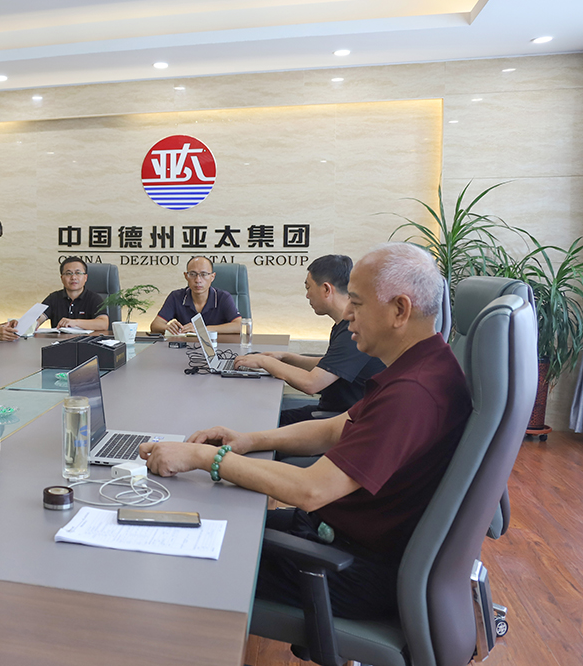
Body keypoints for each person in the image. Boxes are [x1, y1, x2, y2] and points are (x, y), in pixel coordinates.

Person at [138, 243, 471, 619]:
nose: (347, 314)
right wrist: (248, 440)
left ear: (399, 310)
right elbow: (333, 429)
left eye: (356, 303)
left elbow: (311, 490)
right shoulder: (418, 368)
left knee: (181, 551)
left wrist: (204, 457)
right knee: (210, 515)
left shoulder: (413, 393)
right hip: (334, 534)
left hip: (348, 568)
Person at [233, 254, 384, 425]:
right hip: (333, 412)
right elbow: (330, 365)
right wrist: (286, 357)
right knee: (261, 416)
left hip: (343, 421)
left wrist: (264, 362)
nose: (307, 295)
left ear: (326, 289)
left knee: (259, 422)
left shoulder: (355, 330)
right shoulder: (345, 324)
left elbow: (311, 384)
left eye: (308, 287)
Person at [149, 256, 242, 335]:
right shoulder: (176, 297)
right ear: (186, 276)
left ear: (212, 277)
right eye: (193, 274)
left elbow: (240, 326)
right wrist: (168, 328)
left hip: (218, 346)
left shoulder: (223, 297)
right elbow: (155, 325)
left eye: (204, 274)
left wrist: (201, 329)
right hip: (184, 348)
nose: (198, 280)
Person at [35, 256, 110, 331]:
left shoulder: (94, 299)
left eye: (78, 273)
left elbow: (103, 324)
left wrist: (75, 323)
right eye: (68, 273)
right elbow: (37, 319)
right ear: (62, 278)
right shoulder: (53, 298)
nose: (73, 277)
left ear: (85, 277)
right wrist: (34, 324)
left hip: (86, 338)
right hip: (59, 338)